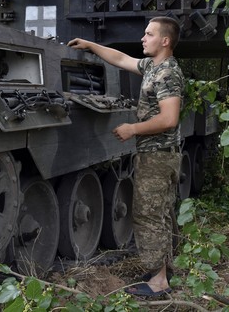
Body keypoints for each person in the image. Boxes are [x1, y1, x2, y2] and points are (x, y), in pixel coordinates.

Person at [68, 16, 184, 297]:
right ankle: (165, 270)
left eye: (149, 34)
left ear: (165, 41)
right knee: (162, 214)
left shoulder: (167, 74)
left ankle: (158, 282)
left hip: (158, 155)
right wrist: (91, 45)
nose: (143, 38)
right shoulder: (152, 67)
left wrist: (133, 128)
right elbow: (121, 58)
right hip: (157, 154)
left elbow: (169, 118)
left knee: (148, 215)